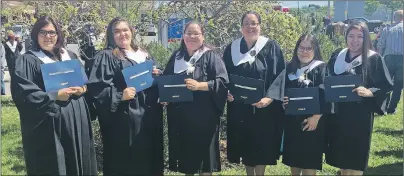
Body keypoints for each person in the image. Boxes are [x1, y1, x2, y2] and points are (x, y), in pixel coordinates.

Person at [10, 16, 97, 175]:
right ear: (36, 35)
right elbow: (23, 92)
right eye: (42, 32)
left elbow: (85, 83)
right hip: (49, 125)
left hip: (77, 118)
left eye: (52, 32)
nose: (47, 37)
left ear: (58, 35)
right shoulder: (27, 60)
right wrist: (54, 95)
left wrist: (82, 90)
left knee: (79, 161)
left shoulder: (70, 56)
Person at [87, 17, 164, 175]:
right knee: (128, 162)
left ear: (131, 31)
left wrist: (158, 77)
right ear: (111, 35)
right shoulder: (106, 56)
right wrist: (120, 95)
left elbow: (152, 83)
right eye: (117, 31)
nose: (122, 34)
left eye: (125, 30)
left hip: (149, 117)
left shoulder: (143, 54)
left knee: (150, 158)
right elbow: (97, 89)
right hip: (124, 121)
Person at [223, 11, 286, 176]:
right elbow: (223, 75)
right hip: (239, 107)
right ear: (241, 27)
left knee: (261, 144)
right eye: (246, 23)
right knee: (245, 143)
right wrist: (227, 92)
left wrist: (270, 97)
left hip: (263, 107)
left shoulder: (271, 47)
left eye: (254, 23)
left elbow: (280, 75)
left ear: (260, 26)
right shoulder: (232, 48)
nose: (250, 27)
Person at [325, 21, 393, 175]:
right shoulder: (338, 55)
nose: (354, 40)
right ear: (345, 36)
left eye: (359, 36)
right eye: (351, 36)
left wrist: (371, 92)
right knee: (341, 154)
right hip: (339, 113)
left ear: (366, 38)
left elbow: (386, 85)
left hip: (360, 115)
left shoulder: (374, 59)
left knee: (356, 155)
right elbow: (327, 79)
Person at [162, 20, 228, 175]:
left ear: (203, 36)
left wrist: (200, 86)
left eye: (196, 33)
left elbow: (223, 83)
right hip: (181, 119)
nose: (191, 36)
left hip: (204, 119)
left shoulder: (211, 56)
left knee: (204, 161)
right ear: (183, 36)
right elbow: (166, 82)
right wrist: (164, 96)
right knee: (187, 159)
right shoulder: (176, 57)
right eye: (188, 33)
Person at [268, 34, 328, 175]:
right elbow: (281, 91)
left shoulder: (321, 69)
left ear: (315, 50)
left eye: (309, 48)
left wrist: (316, 117)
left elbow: (326, 95)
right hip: (292, 123)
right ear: (297, 49)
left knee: (309, 162)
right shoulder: (290, 69)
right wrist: (284, 102)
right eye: (301, 48)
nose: (304, 51)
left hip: (312, 122)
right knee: (294, 162)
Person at [377, 10, 403, 114]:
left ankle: (382, 107)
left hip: (388, 59)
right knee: (398, 85)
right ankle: (392, 109)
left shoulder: (387, 29)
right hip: (402, 59)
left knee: (386, 83)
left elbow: (380, 45)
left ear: (394, 17)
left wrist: (380, 58)